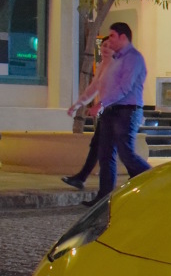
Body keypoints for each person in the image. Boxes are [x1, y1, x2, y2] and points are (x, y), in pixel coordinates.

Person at [87, 22, 151, 206]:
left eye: (113, 36)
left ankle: (154, 179)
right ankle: (104, 198)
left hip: (127, 110)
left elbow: (124, 87)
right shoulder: (116, 59)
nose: (110, 40)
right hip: (111, 109)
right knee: (105, 154)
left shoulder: (133, 59)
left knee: (126, 153)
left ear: (124, 37)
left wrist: (100, 103)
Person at [59, 34, 118, 191]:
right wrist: (77, 105)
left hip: (118, 113)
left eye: (110, 46)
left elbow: (117, 92)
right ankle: (81, 178)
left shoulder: (116, 67)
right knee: (97, 145)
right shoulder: (102, 66)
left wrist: (99, 105)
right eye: (104, 45)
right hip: (107, 112)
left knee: (115, 153)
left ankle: (137, 178)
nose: (105, 49)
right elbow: (92, 89)